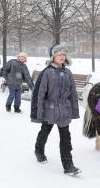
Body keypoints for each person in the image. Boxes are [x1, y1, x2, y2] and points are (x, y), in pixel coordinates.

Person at [31, 45, 81, 175]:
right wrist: (38, 112)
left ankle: (68, 166)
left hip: (64, 110)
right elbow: (39, 93)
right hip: (49, 110)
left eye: (64, 54)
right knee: (44, 132)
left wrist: (74, 111)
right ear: (53, 56)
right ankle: (39, 150)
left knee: (66, 138)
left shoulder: (67, 73)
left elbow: (73, 93)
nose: (62, 56)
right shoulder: (47, 72)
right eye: (59, 54)